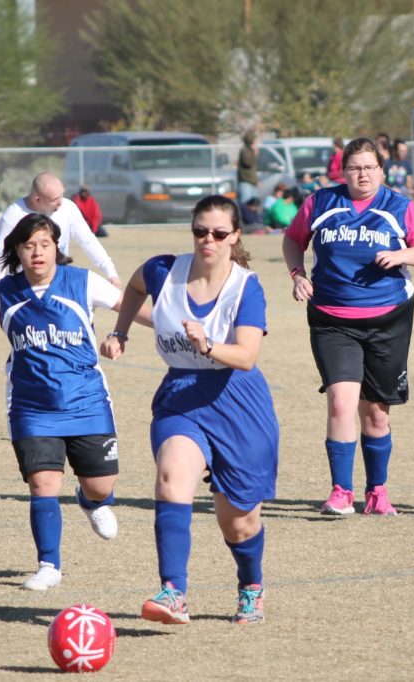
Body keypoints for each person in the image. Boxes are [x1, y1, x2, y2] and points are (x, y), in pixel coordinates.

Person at [101, 194, 279, 626]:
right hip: (181, 395)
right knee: (171, 478)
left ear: (235, 236)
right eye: (201, 231)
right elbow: (134, 286)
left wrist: (209, 345)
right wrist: (120, 331)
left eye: (219, 233)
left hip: (238, 401)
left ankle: (251, 584)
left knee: (237, 524)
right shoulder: (165, 270)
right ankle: (173, 592)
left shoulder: (245, 287)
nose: (208, 241)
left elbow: (247, 356)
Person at [0, 213, 131, 591]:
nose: (37, 252)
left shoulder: (80, 281)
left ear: (56, 248)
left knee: (100, 484)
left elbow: (128, 305)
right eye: (28, 246)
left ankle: (93, 502)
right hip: (31, 405)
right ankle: (49, 565)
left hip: (86, 401)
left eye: (44, 244)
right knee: (43, 483)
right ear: (16, 250)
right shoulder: (6, 289)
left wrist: (122, 332)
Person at [282, 137, 414, 515]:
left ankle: (377, 492)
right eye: (355, 167)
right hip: (332, 320)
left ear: (382, 171)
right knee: (340, 401)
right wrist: (297, 274)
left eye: (370, 167)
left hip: (388, 320)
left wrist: (402, 254)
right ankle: (340, 491)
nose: (362, 174)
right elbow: (292, 240)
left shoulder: (400, 207)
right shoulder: (320, 202)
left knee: (376, 412)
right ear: (343, 171)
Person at [0, 173, 119, 287]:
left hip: (58, 284)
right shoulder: (13, 215)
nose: (61, 202)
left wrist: (110, 272)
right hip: (23, 287)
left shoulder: (68, 208)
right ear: (37, 199)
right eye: (55, 199)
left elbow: (89, 242)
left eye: (62, 195)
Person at [237, 129, 260, 203]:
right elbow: (248, 163)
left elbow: (253, 168)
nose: (256, 141)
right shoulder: (245, 150)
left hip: (252, 181)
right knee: (246, 203)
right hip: (246, 181)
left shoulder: (251, 150)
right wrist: (254, 153)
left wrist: (256, 180)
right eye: (254, 139)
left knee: (253, 204)